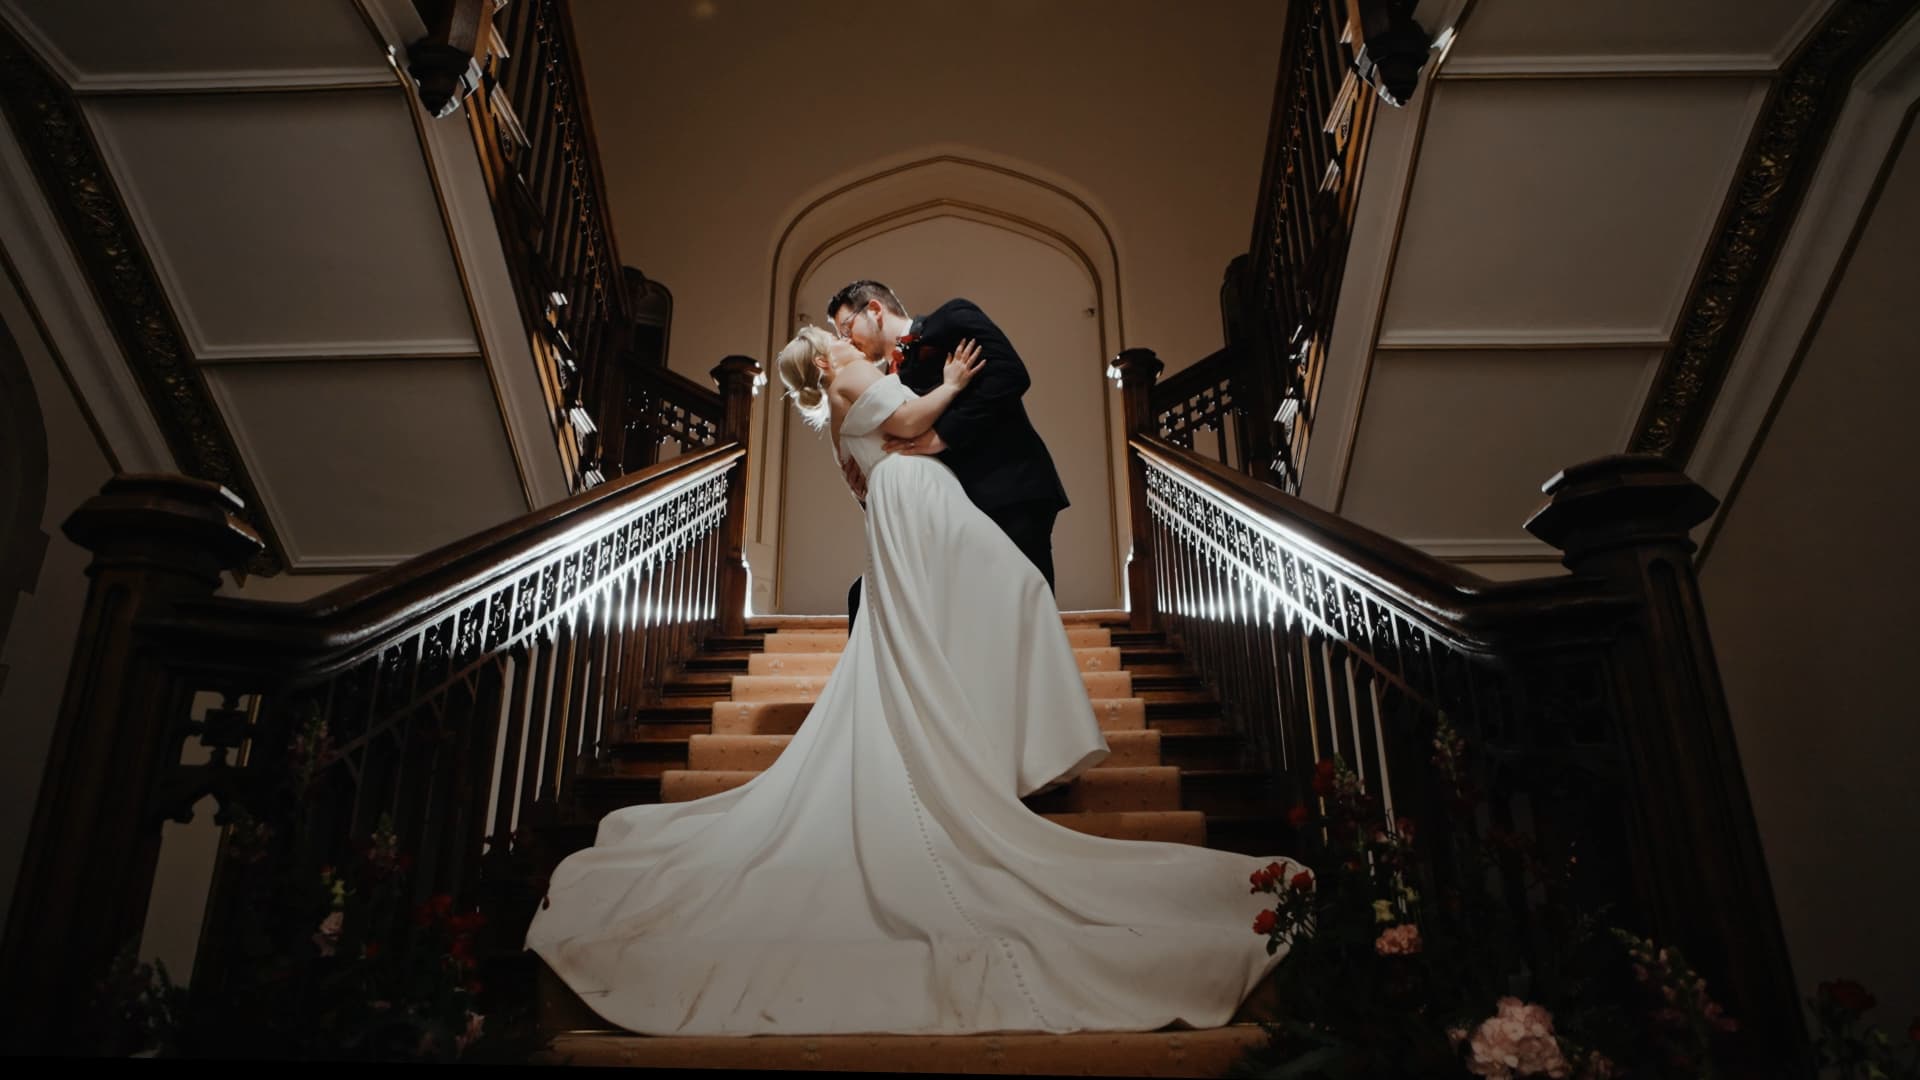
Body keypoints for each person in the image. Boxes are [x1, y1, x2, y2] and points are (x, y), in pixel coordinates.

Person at [523, 324, 1298, 1037]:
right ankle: (1005, 740)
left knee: (966, 612)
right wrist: (954, 383)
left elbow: (876, 459)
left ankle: (992, 729)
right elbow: (912, 428)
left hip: (900, 502)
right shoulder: (852, 372)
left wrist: (912, 438)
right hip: (920, 499)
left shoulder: (833, 396)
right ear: (825, 355)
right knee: (1018, 590)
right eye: (827, 330)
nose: (838, 329)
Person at [826, 281, 1067, 625]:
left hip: (1009, 487)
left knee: (1026, 614)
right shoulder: (885, 381)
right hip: (954, 511)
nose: (848, 340)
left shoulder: (951, 319)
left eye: (847, 327)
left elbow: (1010, 375)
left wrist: (942, 435)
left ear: (875, 310)